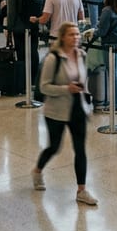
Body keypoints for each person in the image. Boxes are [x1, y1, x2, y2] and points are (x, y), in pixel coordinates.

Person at [31, 22, 98, 206]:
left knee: (80, 149)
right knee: (55, 146)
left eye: (77, 34)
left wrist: (84, 90)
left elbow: (84, 78)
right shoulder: (54, 58)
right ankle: (37, 170)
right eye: (71, 35)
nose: (75, 37)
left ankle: (81, 190)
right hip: (56, 110)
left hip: (78, 108)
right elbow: (44, 87)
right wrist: (66, 88)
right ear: (62, 37)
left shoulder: (82, 55)